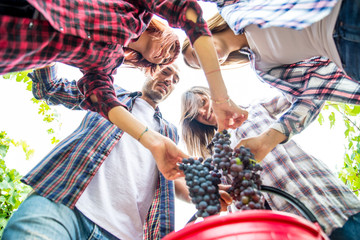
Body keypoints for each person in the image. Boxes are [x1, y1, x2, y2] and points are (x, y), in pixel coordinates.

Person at [0, 0, 249, 179]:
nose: (166, 57)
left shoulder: (106, 63)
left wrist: (152, 141)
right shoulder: (137, 7)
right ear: (162, 30)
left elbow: (101, 98)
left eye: (165, 62)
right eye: (172, 47)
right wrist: (219, 96)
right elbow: (186, 11)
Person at [3, 63, 184, 240]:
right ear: (149, 71)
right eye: (166, 72)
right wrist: (49, 54)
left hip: (123, 233)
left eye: (175, 80)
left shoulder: (170, 132)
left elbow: (174, 181)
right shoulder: (109, 93)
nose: (169, 80)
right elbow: (51, 88)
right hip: (62, 203)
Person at [182, 4, 360, 161]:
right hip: (350, 57)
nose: (204, 59)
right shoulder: (263, 68)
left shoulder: (232, 6)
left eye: (196, 51)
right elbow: (310, 98)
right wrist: (266, 141)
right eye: (200, 64)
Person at [179, 86, 360, 237]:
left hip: (324, 200)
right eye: (197, 115)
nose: (203, 112)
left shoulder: (255, 109)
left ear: (210, 94)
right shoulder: (216, 156)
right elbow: (223, 200)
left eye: (202, 102)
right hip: (281, 230)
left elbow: (307, 92)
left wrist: (272, 136)